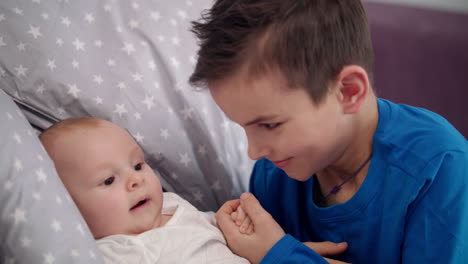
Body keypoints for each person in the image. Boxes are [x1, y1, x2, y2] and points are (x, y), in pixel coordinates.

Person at [189, 0, 468, 263]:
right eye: (243, 128)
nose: (254, 151)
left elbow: (275, 253)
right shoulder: (274, 173)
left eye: (270, 125)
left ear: (348, 91)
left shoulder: (439, 167)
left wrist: (281, 256)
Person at [39, 117, 250, 264]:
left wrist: (231, 223)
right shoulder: (113, 251)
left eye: (138, 165)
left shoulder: (171, 203)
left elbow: (209, 232)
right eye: (109, 180)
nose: (136, 180)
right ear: (69, 207)